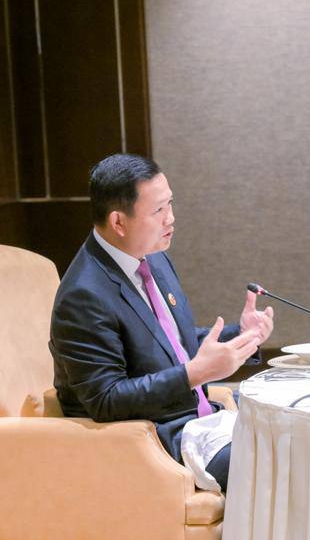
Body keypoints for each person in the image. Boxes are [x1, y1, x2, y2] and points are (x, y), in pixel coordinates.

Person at [49, 154, 273, 492]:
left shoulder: (153, 257)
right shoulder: (83, 295)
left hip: (201, 421)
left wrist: (241, 336)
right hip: (157, 442)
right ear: (118, 222)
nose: (171, 218)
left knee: (299, 434)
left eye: (170, 204)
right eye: (158, 210)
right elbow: (106, 399)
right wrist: (194, 373)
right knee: (276, 464)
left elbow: (169, 344)